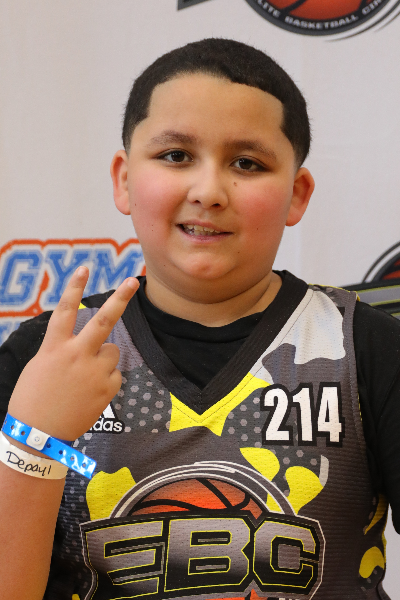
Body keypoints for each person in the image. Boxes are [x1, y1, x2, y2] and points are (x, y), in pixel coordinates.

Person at [0, 38, 399, 600]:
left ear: (296, 193)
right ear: (123, 179)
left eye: (247, 163)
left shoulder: (364, 348)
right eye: (175, 156)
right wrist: (32, 442)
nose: (209, 191)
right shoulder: (44, 354)